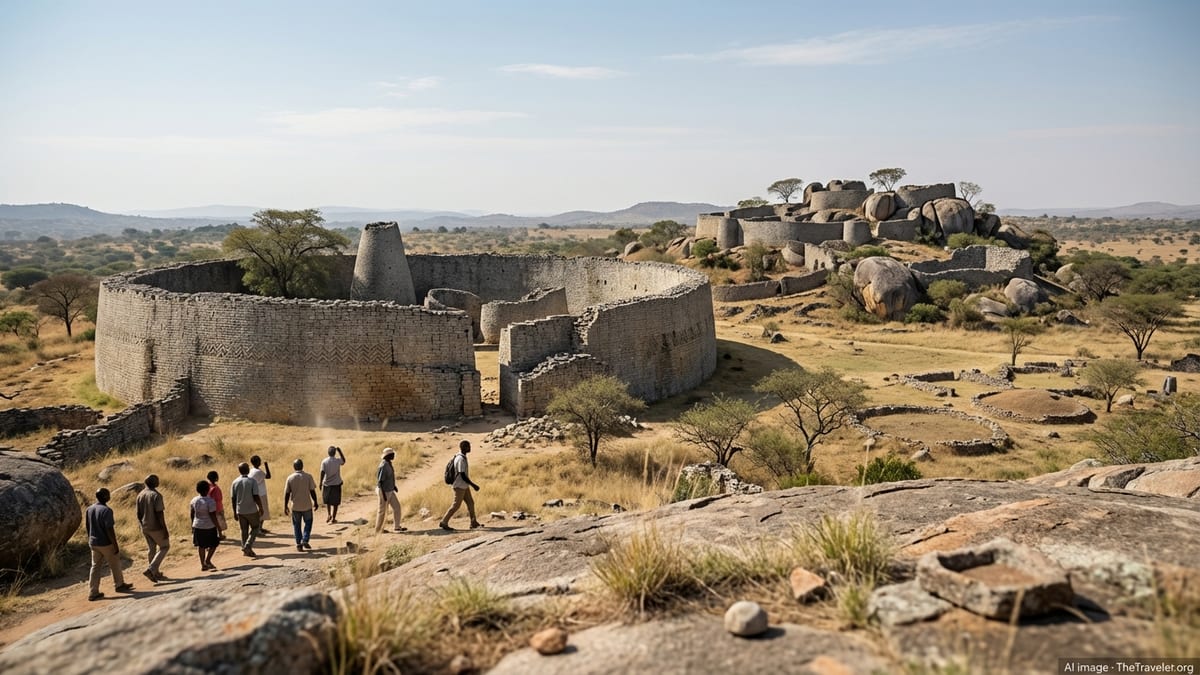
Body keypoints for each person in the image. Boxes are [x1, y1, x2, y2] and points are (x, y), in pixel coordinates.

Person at [86, 487, 133, 601]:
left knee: (95, 567)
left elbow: (88, 526)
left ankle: (93, 592)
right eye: (108, 494)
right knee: (115, 563)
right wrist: (115, 544)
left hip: (93, 542)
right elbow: (109, 529)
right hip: (105, 543)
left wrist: (90, 539)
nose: (109, 496)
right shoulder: (106, 510)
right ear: (105, 497)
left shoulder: (89, 509)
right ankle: (119, 584)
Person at [439, 440, 482, 531]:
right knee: (456, 505)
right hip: (459, 486)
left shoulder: (461, 457)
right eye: (468, 446)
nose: (470, 448)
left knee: (470, 503)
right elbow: (462, 474)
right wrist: (473, 485)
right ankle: (444, 521)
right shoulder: (460, 459)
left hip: (464, 485)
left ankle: (473, 522)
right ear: (464, 447)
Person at [135, 474, 169, 582]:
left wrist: (141, 525)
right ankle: (151, 569)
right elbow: (160, 514)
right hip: (155, 526)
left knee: (152, 549)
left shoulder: (140, 495)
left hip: (144, 526)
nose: (158, 481)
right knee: (164, 547)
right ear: (154, 483)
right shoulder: (156, 495)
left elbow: (138, 513)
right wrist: (164, 529)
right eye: (157, 480)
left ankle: (155, 573)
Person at [284, 458, 319, 552]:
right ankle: (305, 539)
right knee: (308, 522)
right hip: (306, 504)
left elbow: (287, 493)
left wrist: (285, 506)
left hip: (295, 506)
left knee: (296, 525)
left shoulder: (290, 478)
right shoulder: (308, 476)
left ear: (294, 467)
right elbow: (312, 491)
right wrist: (315, 501)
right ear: (302, 466)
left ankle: (299, 544)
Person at [229, 462, 264, 558]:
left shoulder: (235, 482)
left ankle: (246, 550)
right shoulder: (252, 481)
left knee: (243, 530)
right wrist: (260, 507)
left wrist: (234, 511)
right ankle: (248, 545)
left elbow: (233, 498)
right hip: (251, 509)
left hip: (240, 510)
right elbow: (256, 496)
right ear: (248, 470)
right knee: (256, 528)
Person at [190, 480, 220, 571]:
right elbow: (212, 515)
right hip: (209, 526)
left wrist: (192, 524)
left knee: (201, 546)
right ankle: (208, 560)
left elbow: (192, 513)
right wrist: (218, 527)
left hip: (198, 525)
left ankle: (203, 563)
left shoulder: (194, 500)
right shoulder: (210, 501)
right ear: (208, 490)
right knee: (214, 544)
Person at [375, 447, 404, 533]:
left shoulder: (388, 463)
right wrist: (383, 495)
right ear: (388, 455)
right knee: (382, 511)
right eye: (392, 454)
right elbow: (380, 482)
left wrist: (393, 486)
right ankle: (378, 529)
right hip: (383, 491)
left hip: (389, 490)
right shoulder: (384, 465)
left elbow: (389, 478)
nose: (394, 455)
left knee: (397, 507)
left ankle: (397, 527)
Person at [319, 445, 346, 524]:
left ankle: (329, 514)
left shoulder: (324, 461)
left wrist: (320, 482)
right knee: (335, 502)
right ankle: (333, 518)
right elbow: (344, 461)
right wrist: (340, 451)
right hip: (336, 483)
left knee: (328, 501)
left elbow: (322, 472)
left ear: (328, 453)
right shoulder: (337, 461)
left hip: (327, 484)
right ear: (335, 453)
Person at [248, 455, 272, 535]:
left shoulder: (251, 471)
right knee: (262, 512)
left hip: (254, 494)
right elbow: (268, 476)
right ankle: (258, 529)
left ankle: (259, 528)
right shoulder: (258, 472)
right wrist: (266, 466)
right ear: (258, 462)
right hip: (260, 494)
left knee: (259, 511)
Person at [207, 470, 226, 540]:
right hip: (218, 507)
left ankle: (216, 535)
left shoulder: (208, 486)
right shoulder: (215, 488)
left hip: (212, 507)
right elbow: (217, 498)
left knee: (213, 522)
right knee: (219, 522)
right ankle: (220, 535)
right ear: (216, 478)